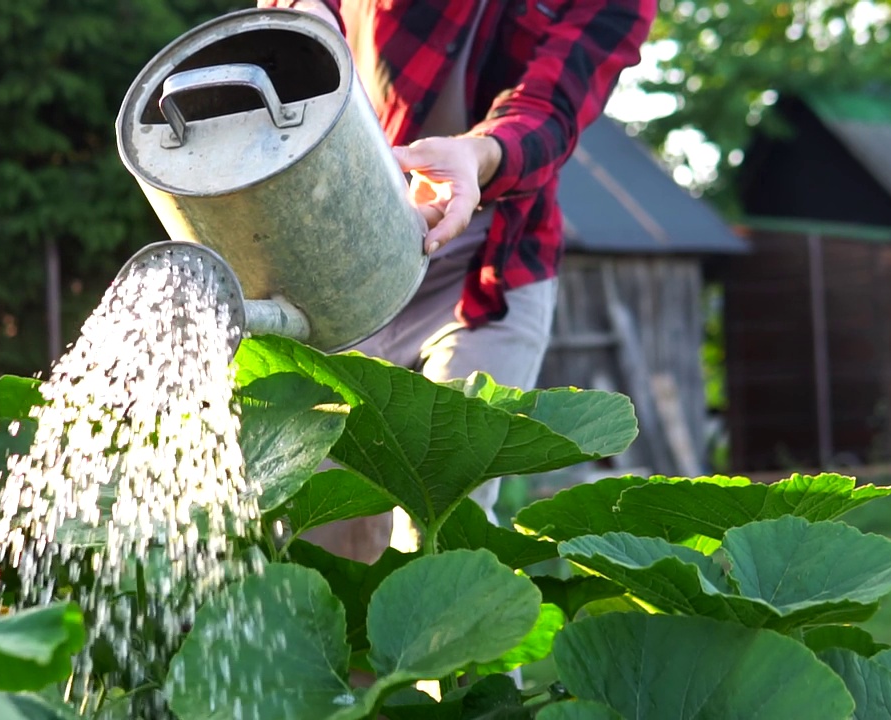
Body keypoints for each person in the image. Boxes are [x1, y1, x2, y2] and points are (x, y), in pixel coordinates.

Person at [259, 0, 656, 563]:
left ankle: (447, 644)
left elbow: (551, 109)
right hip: (352, 238)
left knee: (443, 512)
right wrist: (305, 19)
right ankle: (338, 651)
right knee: (323, 517)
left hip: (491, 260)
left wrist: (478, 156)